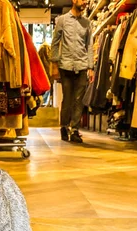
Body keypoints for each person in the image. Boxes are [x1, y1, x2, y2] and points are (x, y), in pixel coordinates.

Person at [51, 0, 94, 143]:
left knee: (79, 100)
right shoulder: (62, 20)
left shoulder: (87, 23)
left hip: (81, 66)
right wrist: (55, 63)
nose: (85, 3)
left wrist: (90, 67)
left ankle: (75, 130)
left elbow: (89, 45)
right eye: (83, 0)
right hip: (66, 66)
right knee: (68, 99)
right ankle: (64, 126)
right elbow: (55, 42)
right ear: (74, 0)